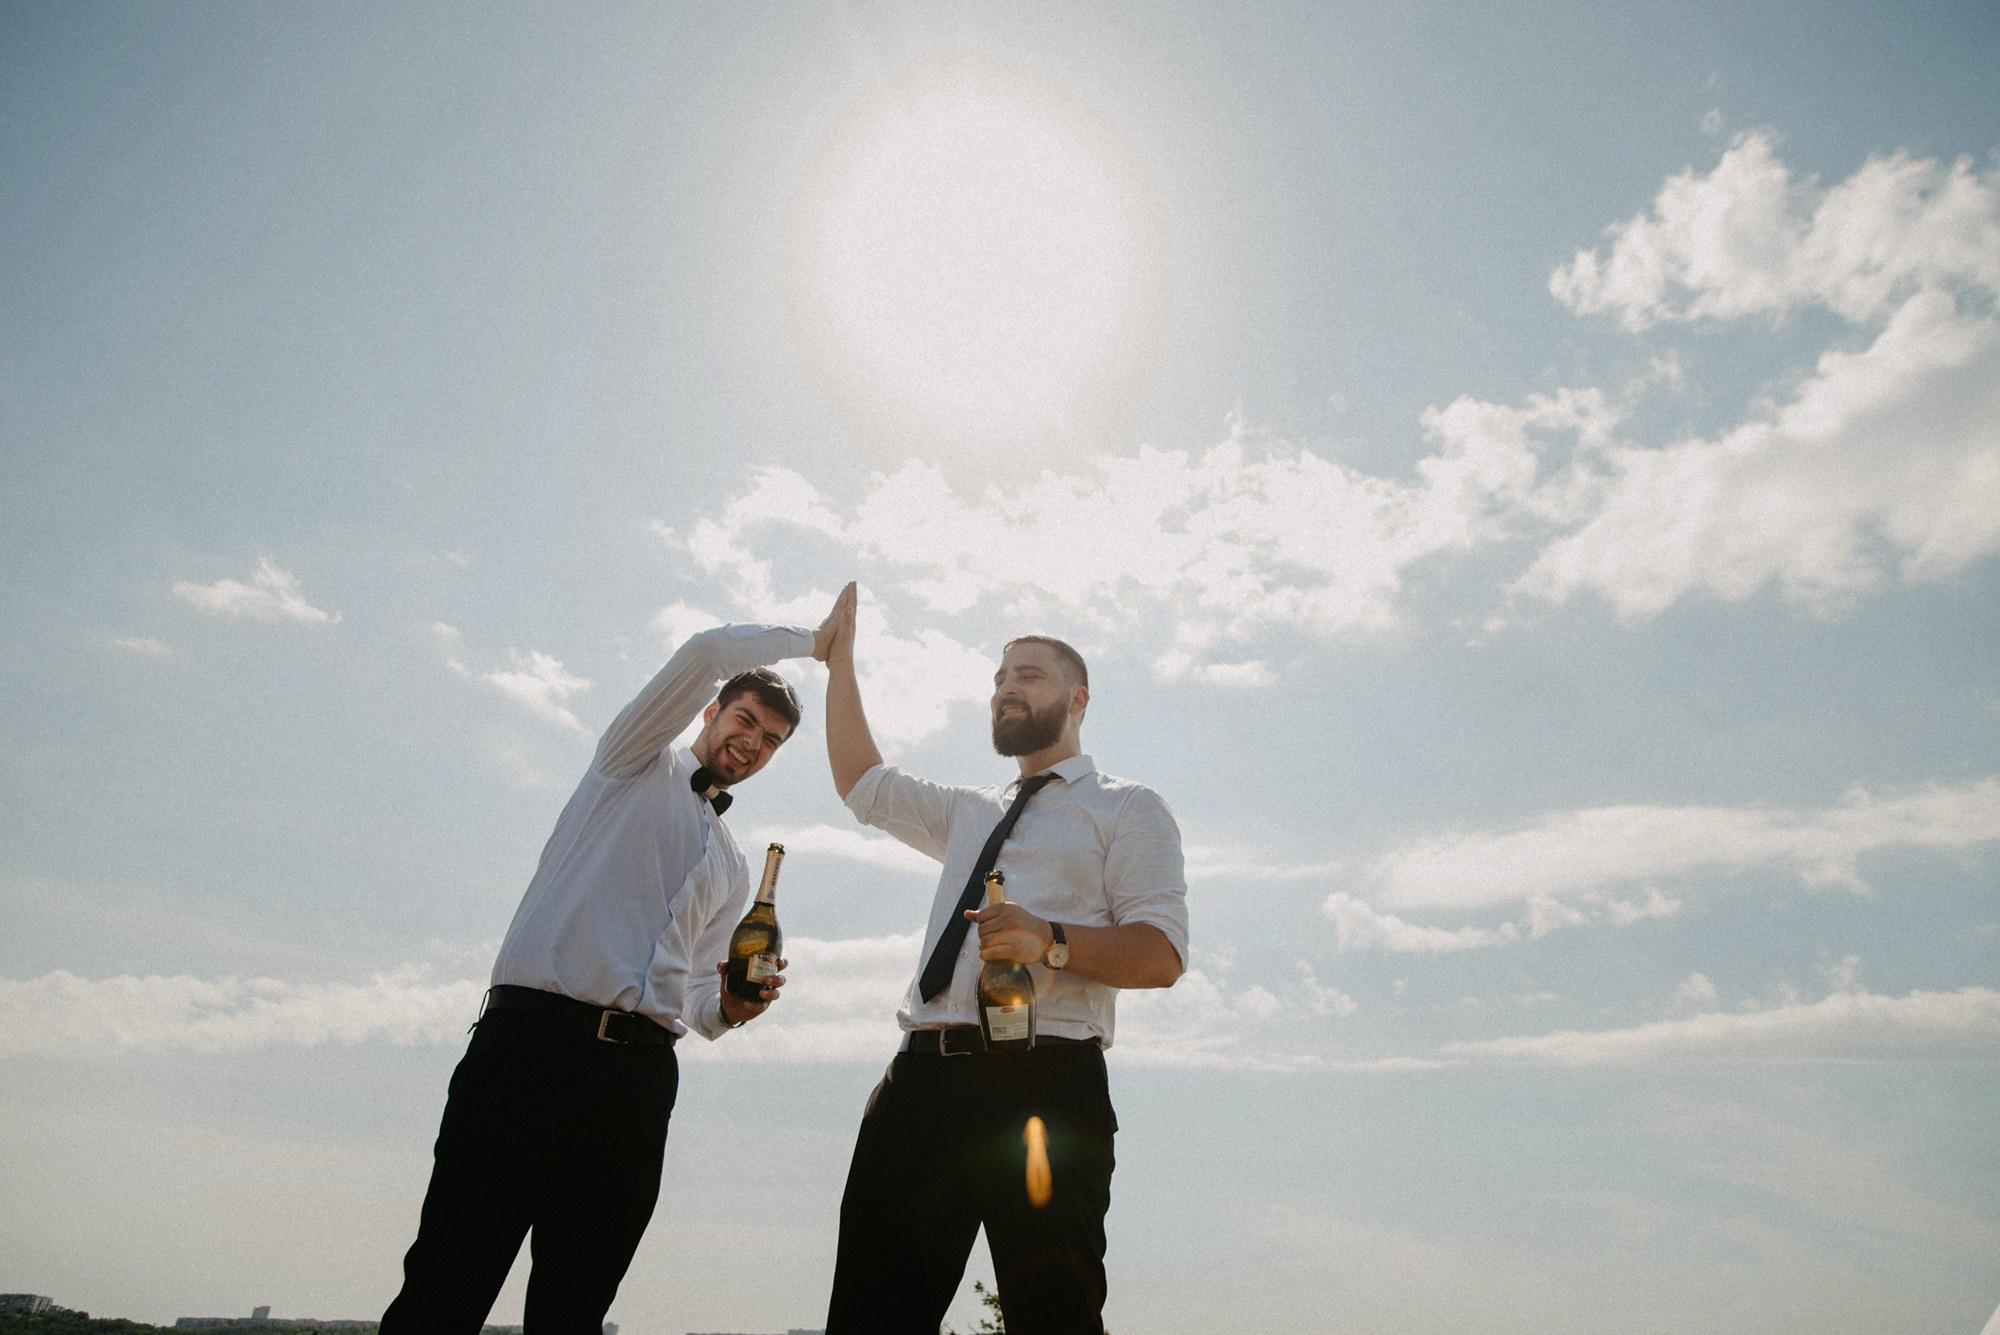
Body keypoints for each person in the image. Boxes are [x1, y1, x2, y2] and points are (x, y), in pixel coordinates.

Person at [380, 603, 842, 1335]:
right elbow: (703, 649)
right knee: (448, 1281)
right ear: (714, 711)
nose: (752, 743)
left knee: (576, 1305)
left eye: (772, 740)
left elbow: (696, 993)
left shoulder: (730, 861)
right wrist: (813, 643)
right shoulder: (629, 761)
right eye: (745, 721)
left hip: (639, 1083)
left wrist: (730, 1007)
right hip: (530, 1050)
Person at [817, 583, 1188, 1335]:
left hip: (1047, 1085)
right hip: (921, 1080)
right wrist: (839, 663)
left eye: (1028, 674)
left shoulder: (1129, 807)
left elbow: (1162, 953)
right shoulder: (968, 811)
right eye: (998, 677)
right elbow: (861, 782)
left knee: (1054, 1318)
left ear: (1077, 699)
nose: (1006, 688)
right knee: (869, 1316)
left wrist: (1050, 938)